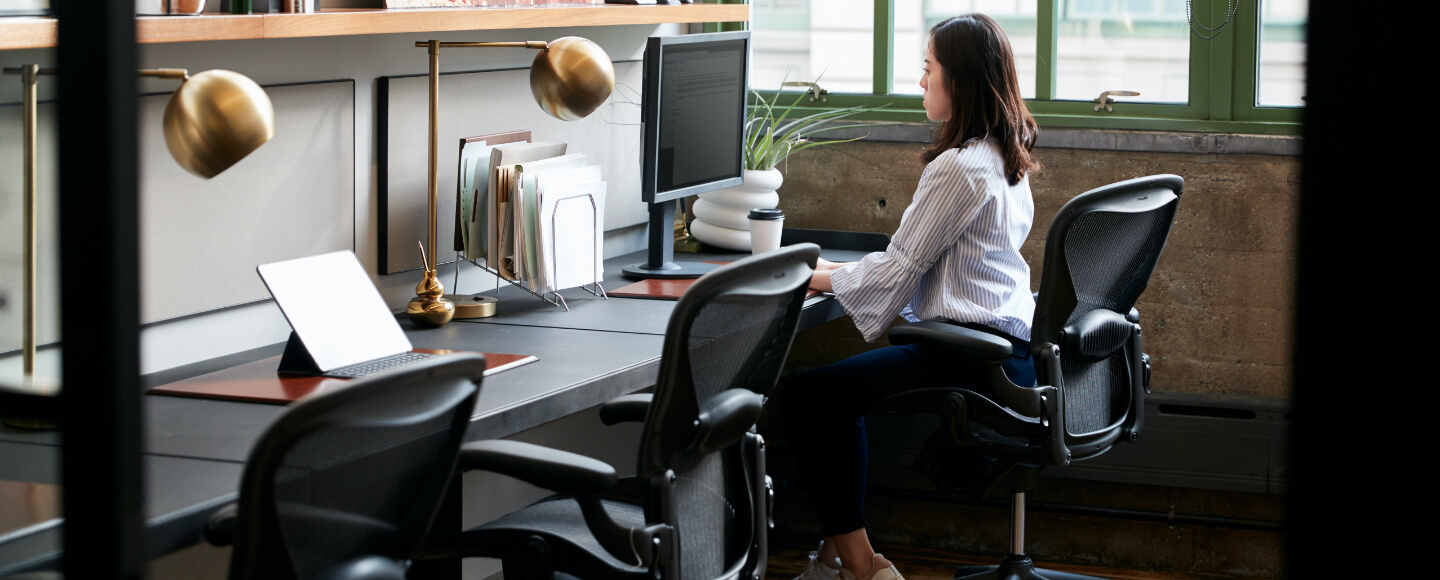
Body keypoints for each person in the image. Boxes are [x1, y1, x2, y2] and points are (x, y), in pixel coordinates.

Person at [778, 13, 1041, 580]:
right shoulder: (1003, 154)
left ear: (960, 80)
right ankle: (833, 558)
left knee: (810, 398)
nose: (921, 82)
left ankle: (862, 566)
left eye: (929, 70)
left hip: (968, 352)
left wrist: (811, 275)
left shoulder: (958, 167)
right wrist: (834, 270)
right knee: (826, 396)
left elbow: (900, 268)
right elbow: (912, 262)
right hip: (1009, 345)